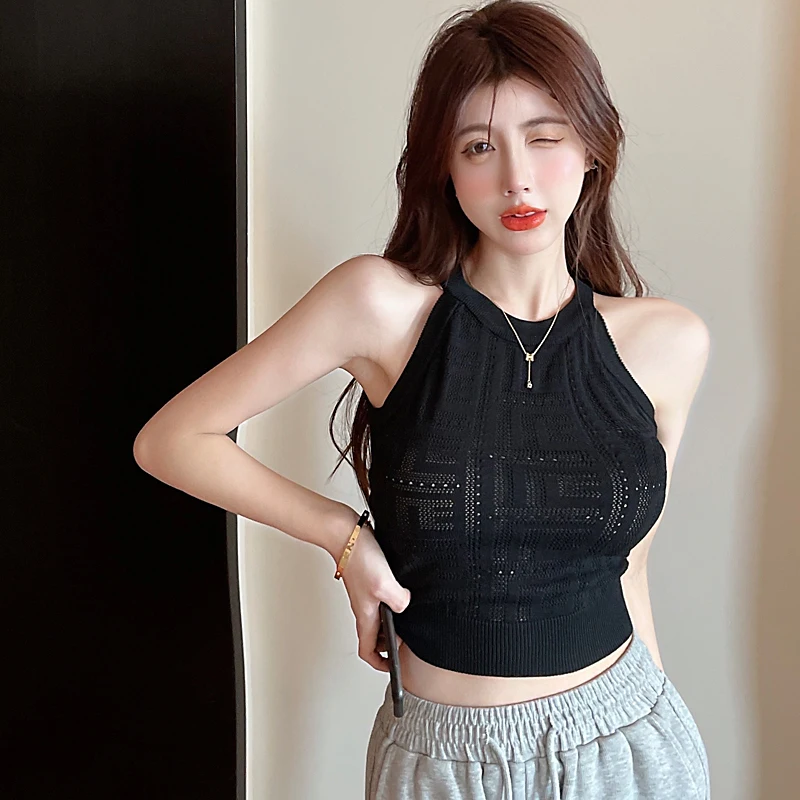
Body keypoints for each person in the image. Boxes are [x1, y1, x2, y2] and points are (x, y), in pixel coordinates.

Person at [133, 1, 712, 798]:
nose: (516, 178)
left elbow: (629, 568)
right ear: (444, 165)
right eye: (480, 146)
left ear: (592, 146)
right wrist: (343, 537)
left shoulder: (667, 344)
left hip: (628, 743)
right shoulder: (380, 306)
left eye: (545, 137)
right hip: (444, 760)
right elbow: (172, 440)